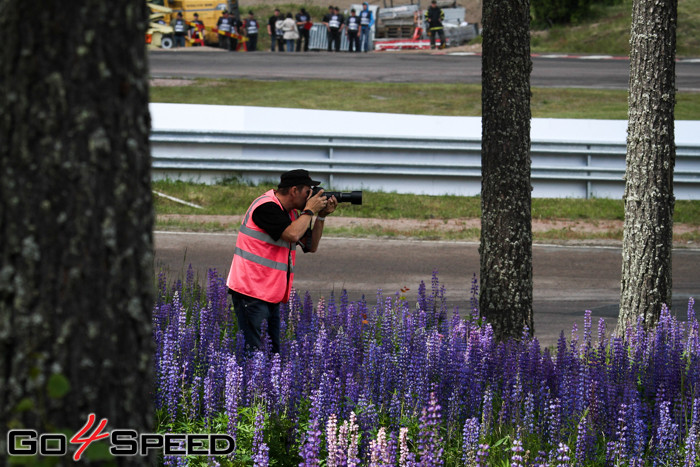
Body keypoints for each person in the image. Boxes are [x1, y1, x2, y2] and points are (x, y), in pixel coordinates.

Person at [226, 169, 338, 354]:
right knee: (255, 354)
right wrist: (310, 210)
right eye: (308, 191)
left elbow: (311, 245)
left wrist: (321, 216)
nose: (311, 196)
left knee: (271, 354)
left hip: (270, 293)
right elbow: (292, 234)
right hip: (251, 292)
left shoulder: (292, 214)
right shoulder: (265, 207)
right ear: (294, 190)